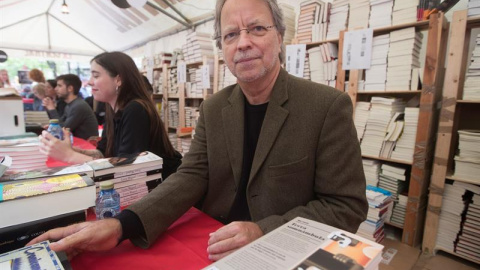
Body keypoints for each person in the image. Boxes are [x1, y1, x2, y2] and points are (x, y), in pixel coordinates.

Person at [29, 0, 367, 262]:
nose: (243, 43)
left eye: (257, 29)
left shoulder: (325, 106)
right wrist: (123, 224)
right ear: (222, 48)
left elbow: (345, 206)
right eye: (231, 35)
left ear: (280, 36)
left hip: (282, 252)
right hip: (211, 243)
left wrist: (263, 230)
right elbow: (192, 175)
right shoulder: (216, 106)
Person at [38, 52, 182, 179]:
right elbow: (104, 153)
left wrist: (69, 155)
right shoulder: (112, 109)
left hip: (164, 186)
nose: (89, 82)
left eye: (96, 75)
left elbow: (125, 169)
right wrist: (70, 149)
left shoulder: (136, 109)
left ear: (118, 79)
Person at [41, 74, 98, 140]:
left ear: (70, 88)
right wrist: (54, 126)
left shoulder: (78, 106)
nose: (56, 89)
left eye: (59, 86)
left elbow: (64, 129)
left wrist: (52, 109)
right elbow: (61, 123)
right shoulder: (70, 105)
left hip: (85, 146)